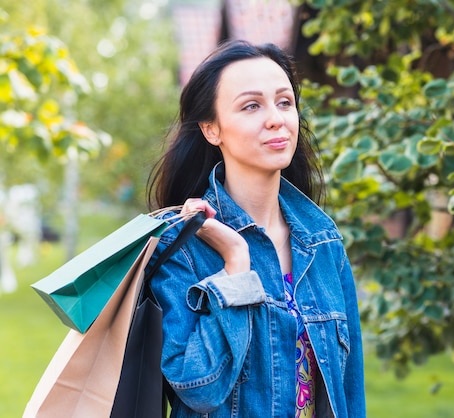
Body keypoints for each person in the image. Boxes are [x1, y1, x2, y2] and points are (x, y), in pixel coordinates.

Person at [147, 39, 366, 417]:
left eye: (284, 102)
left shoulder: (323, 242)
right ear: (211, 128)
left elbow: (350, 392)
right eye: (251, 106)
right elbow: (199, 388)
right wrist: (236, 264)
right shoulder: (182, 246)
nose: (276, 118)